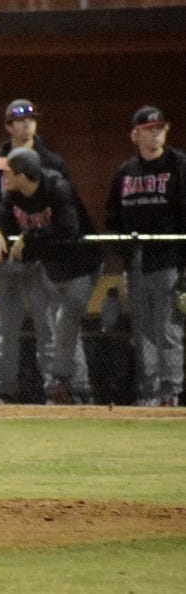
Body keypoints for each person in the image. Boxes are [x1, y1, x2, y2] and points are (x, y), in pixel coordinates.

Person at [0, 98, 91, 403]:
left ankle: (58, 390)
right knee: (6, 331)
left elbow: (68, 221)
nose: (27, 125)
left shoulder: (52, 166)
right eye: (19, 120)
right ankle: (6, 393)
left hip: (43, 260)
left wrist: (33, 239)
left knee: (48, 328)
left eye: (31, 120)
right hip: (9, 260)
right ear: (8, 125)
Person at [0, 147, 102, 405]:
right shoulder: (14, 194)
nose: (4, 176)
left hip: (82, 265)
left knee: (65, 321)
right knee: (57, 325)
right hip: (54, 269)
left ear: (23, 175)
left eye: (9, 171)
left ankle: (75, 389)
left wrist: (29, 237)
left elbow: (68, 229)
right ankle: (66, 389)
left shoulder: (57, 188)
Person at [105, 106, 186, 407]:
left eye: (160, 128)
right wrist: (125, 253)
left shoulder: (178, 165)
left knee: (168, 329)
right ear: (135, 134)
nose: (156, 133)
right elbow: (112, 217)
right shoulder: (126, 172)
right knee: (143, 332)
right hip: (137, 264)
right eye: (149, 129)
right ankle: (149, 391)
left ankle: (170, 391)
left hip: (169, 262)